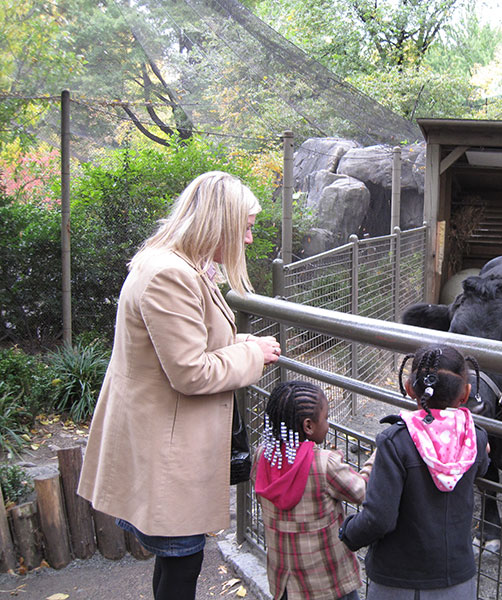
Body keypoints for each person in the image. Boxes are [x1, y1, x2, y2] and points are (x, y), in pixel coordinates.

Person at [77, 171, 282, 600]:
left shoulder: (175, 264)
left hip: (161, 436)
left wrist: (241, 342)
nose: (248, 240)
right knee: (182, 561)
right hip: (166, 448)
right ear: (221, 222)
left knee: (177, 560)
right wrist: (252, 355)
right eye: (245, 227)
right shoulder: (171, 275)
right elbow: (191, 372)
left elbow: (186, 343)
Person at [338, 344, 490, 599]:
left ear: (409, 388)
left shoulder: (395, 441)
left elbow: (379, 518)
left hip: (398, 580)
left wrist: (348, 532)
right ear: (465, 393)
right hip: (456, 577)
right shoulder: (474, 438)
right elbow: (482, 466)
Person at [253, 380, 373, 600]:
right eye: (326, 418)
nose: (328, 424)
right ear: (308, 426)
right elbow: (362, 492)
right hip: (329, 583)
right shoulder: (324, 464)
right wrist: (374, 461)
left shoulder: (263, 456)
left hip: (285, 583)